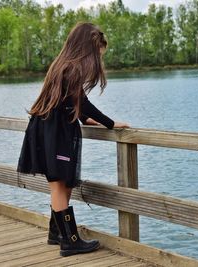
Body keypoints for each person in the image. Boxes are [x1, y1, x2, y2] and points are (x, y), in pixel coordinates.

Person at [17, 22, 129, 257]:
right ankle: (70, 241)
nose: (99, 57)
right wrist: (109, 123)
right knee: (59, 183)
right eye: (98, 51)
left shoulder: (63, 65)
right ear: (86, 47)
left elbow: (70, 102)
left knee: (63, 182)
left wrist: (85, 119)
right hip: (54, 130)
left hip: (49, 127)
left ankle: (56, 233)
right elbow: (82, 102)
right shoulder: (72, 68)